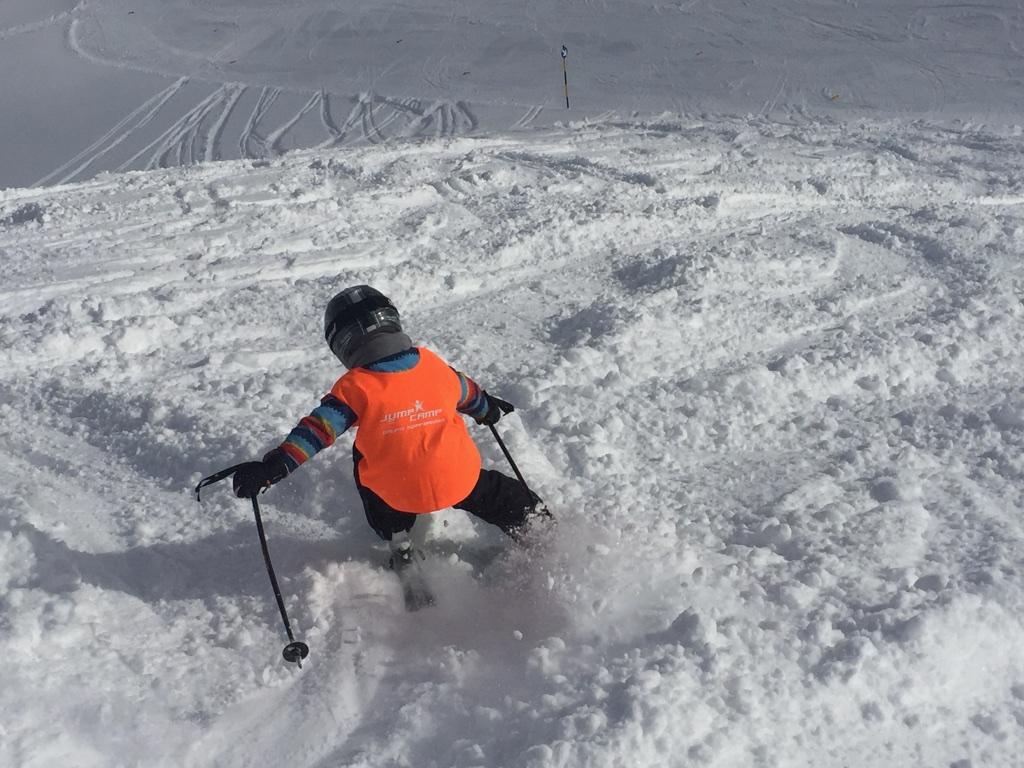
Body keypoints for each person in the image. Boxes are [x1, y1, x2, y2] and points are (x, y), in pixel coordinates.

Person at [230, 285, 544, 567]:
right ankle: (541, 531)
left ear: (342, 344)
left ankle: (398, 540)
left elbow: (316, 432)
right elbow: (469, 393)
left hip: (396, 493)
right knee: (502, 496)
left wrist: (274, 467)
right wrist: (488, 409)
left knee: (363, 456)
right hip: (459, 479)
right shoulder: (433, 365)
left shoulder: (355, 387)